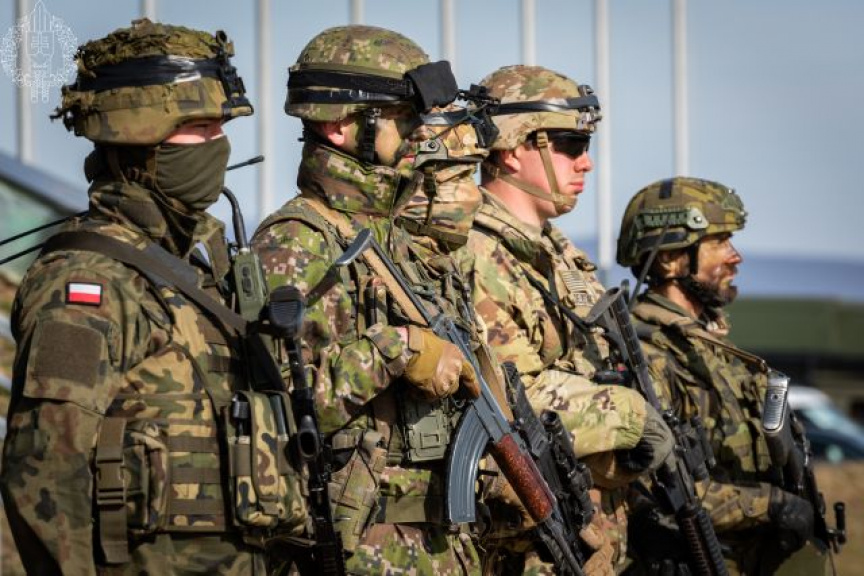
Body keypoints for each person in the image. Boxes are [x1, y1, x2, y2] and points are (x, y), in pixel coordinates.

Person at [0, 19, 277, 575]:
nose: (218, 146)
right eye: (199, 127)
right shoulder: (90, 282)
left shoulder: (202, 268)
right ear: (140, 140)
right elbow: (45, 477)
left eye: (220, 128)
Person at [252, 25, 489, 574]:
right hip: (357, 553)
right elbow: (276, 411)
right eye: (403, 117)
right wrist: (396, 349)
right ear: (338, 126)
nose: (419, 134)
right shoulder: (296, 243)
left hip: (439, 549)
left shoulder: (397, 239)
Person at [456, 64, 674, 575]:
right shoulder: (478, 253)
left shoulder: (556, 253)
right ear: (513, 149)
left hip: (584, 534)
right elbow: (508, 400)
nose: (587, 163)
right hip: (526, 546)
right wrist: (629, 416)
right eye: (570, 145)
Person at [617, 177, 823, 575]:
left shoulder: (710, 348)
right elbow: (653, 491)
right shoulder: (647, 357)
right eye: (720, 242)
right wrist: (769, 506)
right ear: (670, 259)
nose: (735, 257)